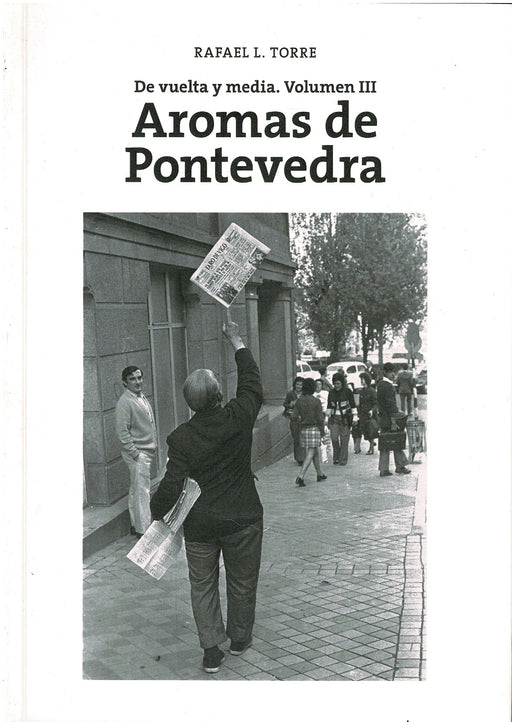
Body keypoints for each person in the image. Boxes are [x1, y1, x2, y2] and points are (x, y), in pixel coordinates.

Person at [150, 314, 263, 674]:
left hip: (200, 525)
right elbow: (252, 384)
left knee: (202, 585)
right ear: (218, 395)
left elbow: (171, 485)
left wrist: (156, 513)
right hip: (243, 517)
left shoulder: (181, 438)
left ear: (189, 403)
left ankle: (211, 650)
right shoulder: (239, 417)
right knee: (242, 580)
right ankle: (240, 638)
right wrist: (236, 341)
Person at [115, 366, 157, 538]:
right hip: (139, 453)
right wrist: (135, 454)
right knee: (142, 492)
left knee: (136, 489)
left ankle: (135, 524)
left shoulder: (140, 396)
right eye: (132, 379)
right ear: (125, 383)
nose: (138, 382)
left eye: (139, 378)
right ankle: (144, 531)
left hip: (144, 450)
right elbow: (122, 432)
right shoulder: (125, 402)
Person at [376, 362, 411, 477]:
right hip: (390, 418)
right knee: (397, 441)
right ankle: (400, 466)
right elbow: (390, 405)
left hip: (383, 418)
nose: (393, 375)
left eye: (393, 372)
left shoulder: (380, 384)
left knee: (385, 444)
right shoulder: (388, 386)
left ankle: (383, 469)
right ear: (386, 372)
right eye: (391, 372)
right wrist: (394, 421)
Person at [292, 377, 327, 487]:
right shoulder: (316, 401)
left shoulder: (299, 401)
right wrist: (322, 432)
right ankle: (301, 476)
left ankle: (320, 474)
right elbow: (320, 419)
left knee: (315, 451)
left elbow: (293, 416)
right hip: (314, 428)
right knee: (311, 452)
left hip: (303, 429)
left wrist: (300, 419)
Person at [327, 372, 357, 465]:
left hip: (345, 418)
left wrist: (355, 417)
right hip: (334, 418)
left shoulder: (348, 392)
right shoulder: (331, 392)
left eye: (338, 383)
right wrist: (327, 417)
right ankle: (336, 456)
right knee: (334, 438)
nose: (336, 386)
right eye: (335, 383)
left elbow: (353, 405)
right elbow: (329, 406)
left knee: (344, 440)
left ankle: (343, 459)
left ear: (342, 383)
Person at [283, 377, 305, 464]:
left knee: (302, 438)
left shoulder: (305, 394)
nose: (299, 386)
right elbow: (285, 404)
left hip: (303, 418)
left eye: (301, 385)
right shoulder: (290, 394)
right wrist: (290, 404)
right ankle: (298, 457)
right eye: (297, 384)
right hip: (294, 418)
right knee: (296, 438)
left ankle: (302, 457)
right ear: (294, 385)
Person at [358, 371, 378, 454]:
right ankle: (371, 442)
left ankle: (371, 448)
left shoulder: (372, 391)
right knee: (364, 430)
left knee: (370, 430)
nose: (361, 381)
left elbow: (376, 403)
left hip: (370, 414)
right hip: (363, 413)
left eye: (362, 379)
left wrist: (372, 410)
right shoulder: (361, 391)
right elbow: (360, 403)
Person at [314, 378, 331, 463]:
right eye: (316, 384)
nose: (318, 386)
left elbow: (329, 404)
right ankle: (323, 456)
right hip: (316, 416)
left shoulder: (326, 393)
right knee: (321, 435)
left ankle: (327, 448)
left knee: (326, 433)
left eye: (320, 384)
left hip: (325, 415)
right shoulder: (312, 394)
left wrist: (327, 416)